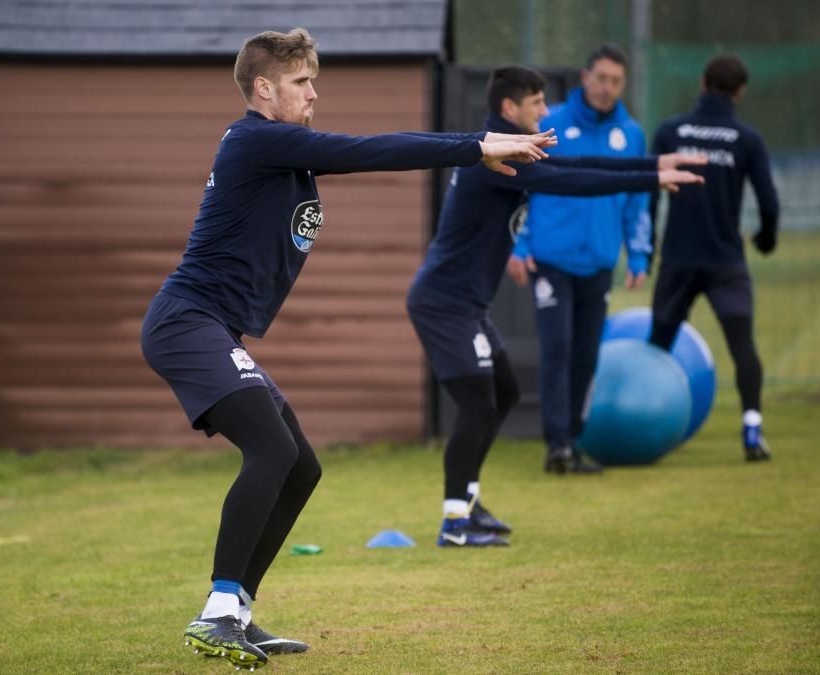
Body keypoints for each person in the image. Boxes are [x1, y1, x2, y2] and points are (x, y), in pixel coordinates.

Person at [139, 28, 555, 670]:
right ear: (263, 90)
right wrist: (474, 146)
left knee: (301, 466)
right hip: (186, 322)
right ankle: (218, 612)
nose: (313, 94)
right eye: (301, 83)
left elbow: (354, 152)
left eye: (313, 81)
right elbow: (369, 150)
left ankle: (238, 611)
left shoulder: (284, 153)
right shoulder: (256, 139)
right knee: (272, 448)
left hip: (212, 330)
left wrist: (471, 151)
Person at [406, 64, 705, 548]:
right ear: (509, 109)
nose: (546, 111)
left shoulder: (510, 147)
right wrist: (649, 176)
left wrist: (650, 168)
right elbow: (571, 181)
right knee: (478, 404)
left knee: (501, 394)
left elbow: (577, 166)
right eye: (537, 103)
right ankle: (454, 522)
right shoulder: (495, 158)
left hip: (468, 305)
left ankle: (468, 502)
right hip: (444, 305)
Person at [506, 44, 651, 476]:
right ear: (585, 78)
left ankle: (572, 439)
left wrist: (639, 253)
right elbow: (522, 189)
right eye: (601, 78)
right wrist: (519, 246)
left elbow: (637, 200)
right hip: (551, 260)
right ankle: (556, 446)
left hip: (600, 262)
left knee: (586, 356)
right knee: (558, 349)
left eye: (616, 81)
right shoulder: (549, 123)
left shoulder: (633, 135)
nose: (607, 88)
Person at [648, 55, 779, 462]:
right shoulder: (747, 139)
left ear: (703, 83)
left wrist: (647, 244)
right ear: (740, 92)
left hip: (679, 258)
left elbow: (647, 188)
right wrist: (766, 238)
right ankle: (753, 428)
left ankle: (646, 425)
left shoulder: (670, 131)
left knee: (659, 344)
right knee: (742, 346)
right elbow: (769, 202)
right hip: (725, 262)